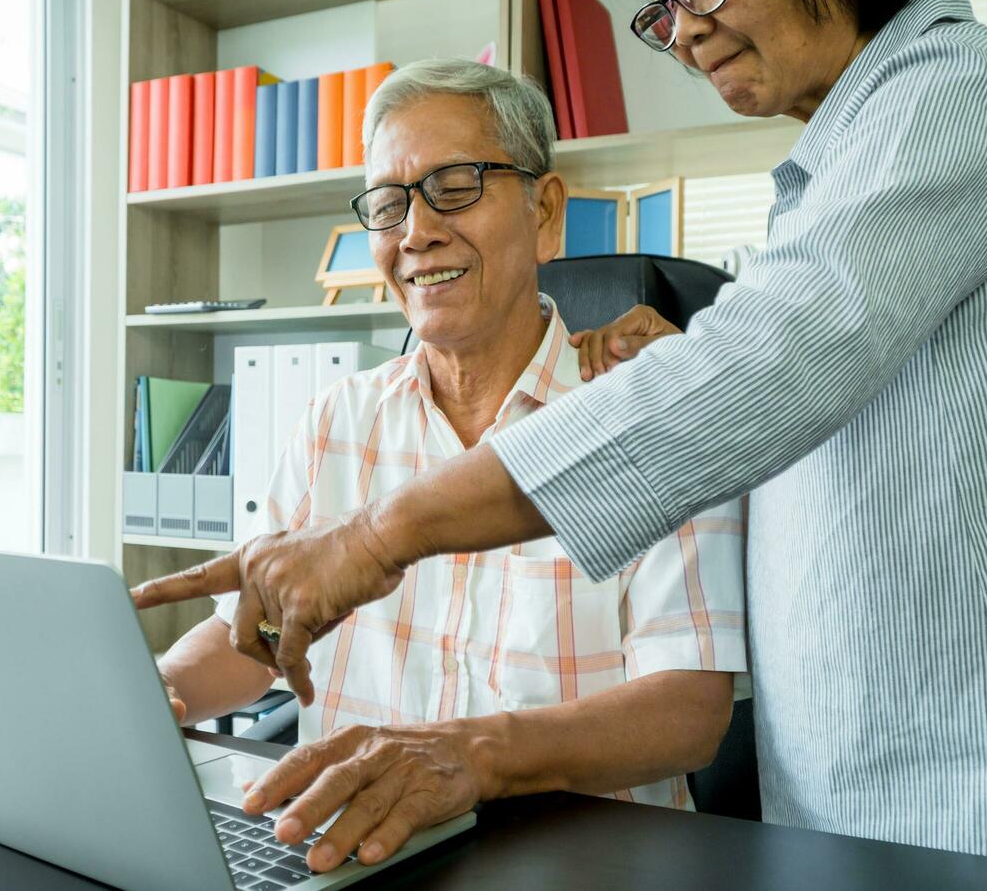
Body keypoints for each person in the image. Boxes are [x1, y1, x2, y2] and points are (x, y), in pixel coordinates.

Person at [133, 0, 987, 869]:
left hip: (966, 805)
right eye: (664, 1)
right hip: (840, 806)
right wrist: (128, 702)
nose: (684, 26)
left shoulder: (957, 100)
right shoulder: (346, 415)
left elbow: (744, 382)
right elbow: (256, 633)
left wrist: (378, 537)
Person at [143, 61, 748, 873]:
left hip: (576, 869)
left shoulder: (646, 412)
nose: (416, 231)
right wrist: (149, 693)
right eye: (388, 204)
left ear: (546, 213)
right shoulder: (333, 421)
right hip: (345, 862)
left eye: (455, 185)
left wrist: (469, 756)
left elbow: (687, 709)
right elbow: (250, 638)